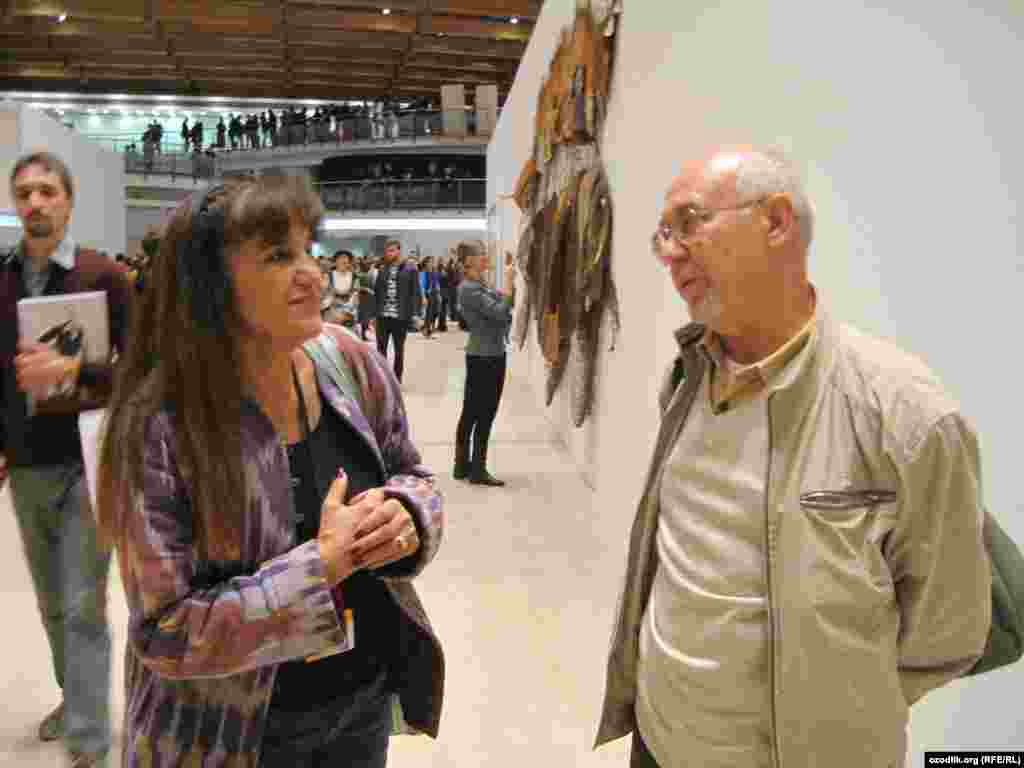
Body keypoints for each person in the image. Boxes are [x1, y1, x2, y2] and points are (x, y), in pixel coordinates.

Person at [594, 146, 991, 768]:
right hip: (657, 746)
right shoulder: (685, 377)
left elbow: (948, 630)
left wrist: (839, 708)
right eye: (662, 235)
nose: (670, 252)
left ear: (775, 221)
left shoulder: (908, 415)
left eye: (688, 222)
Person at [95, 175, 445, 767]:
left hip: (360, 707)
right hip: (227, 736)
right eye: (280, 256)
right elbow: (164, 631)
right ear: (210, 284)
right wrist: (321, 565)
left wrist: (407, 513)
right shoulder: (159, 425)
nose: (312, 273)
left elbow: (411, 472)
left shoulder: (350, 361)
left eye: (309, 249)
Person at [2, 151, 132, 768]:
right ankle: (75, 696)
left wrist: (73, 368)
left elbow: (145, 369)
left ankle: (88, 742)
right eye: (24, 192)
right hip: (27, 464)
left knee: (82, 603)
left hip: (89, 460)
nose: (35, 202)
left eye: (47, 190)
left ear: (68, 201)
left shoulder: (105, 276)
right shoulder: (1, 281)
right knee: (53, 602)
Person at [454, 240, 514, 486]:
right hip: (486, 358)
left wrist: (506, 294)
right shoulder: (469, 288)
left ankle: (462, 466)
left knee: (472, 411)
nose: (486, 258)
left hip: (486, 354)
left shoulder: (479, 285)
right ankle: (476, 469)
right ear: (469, 261)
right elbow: (500, 312)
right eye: (482, 255)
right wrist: (508, 285)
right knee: (483, 413)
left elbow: (501, 305)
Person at [373, 240, 420, 383]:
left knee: (399, 350)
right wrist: (374, 315)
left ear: (399, 251)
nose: (389, 253)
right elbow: (377, 292)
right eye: (387, 251)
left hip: (400, 317)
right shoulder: (382, 269)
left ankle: (396, 379)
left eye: (392, 250)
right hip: (382, 316)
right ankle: (383, 379)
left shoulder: (410, 269)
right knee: (380, 350)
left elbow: (415, 292)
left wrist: (415, 314)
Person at [327, 250, 357, 327]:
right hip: (332, 310)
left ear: (349, 263)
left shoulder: (354, 276)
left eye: (346, 260)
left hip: (349, 311)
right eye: (340, 259)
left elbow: (355, 293)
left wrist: (349, 306)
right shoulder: (328, 275)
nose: (344, 261)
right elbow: (325, 293)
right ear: (335, 262)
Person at [355, 256, 377, 341]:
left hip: (369, 298)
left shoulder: (370, 274)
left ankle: (365, 334)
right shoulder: (360, 275)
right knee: (364, 318)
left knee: (367, 318)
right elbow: (357, 287)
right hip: (364, 298)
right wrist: (366, 289)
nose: (370, 266)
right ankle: (363, 334)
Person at [419, 257, 440, 339]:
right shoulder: (423, 273)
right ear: (426, 263)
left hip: (434, 294)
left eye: (432, 262)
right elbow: (421, 286)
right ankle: (427, 331)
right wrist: (423, 297)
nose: (431, 263)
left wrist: (439, 295)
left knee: (434, 313)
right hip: (428, 295)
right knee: (428, 314)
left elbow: (437, 284)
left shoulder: (434, 273)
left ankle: (428, 329)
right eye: (430, 262)